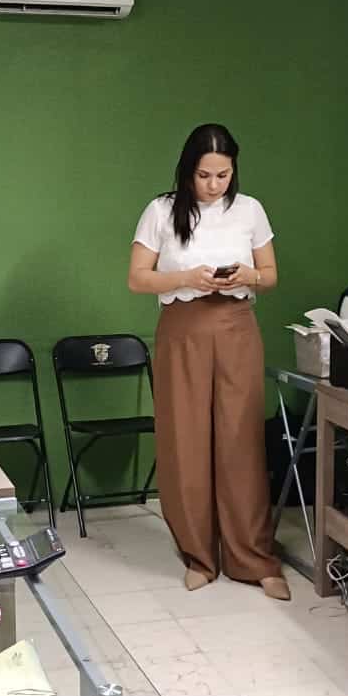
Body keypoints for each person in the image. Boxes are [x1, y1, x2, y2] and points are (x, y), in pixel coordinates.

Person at [127, 123, 289, 601]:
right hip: (183, 328)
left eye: (223, 175)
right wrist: (185, 278)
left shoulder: (250, 210)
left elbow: (271, 275)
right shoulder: (160, 211)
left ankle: (251, 557)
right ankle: (199, 556)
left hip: (236, 326)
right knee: (186, 440)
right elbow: (137, 278)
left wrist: (248, 275)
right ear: (187, 171)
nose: (214, 185)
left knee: (241, 439)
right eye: (204, 175)